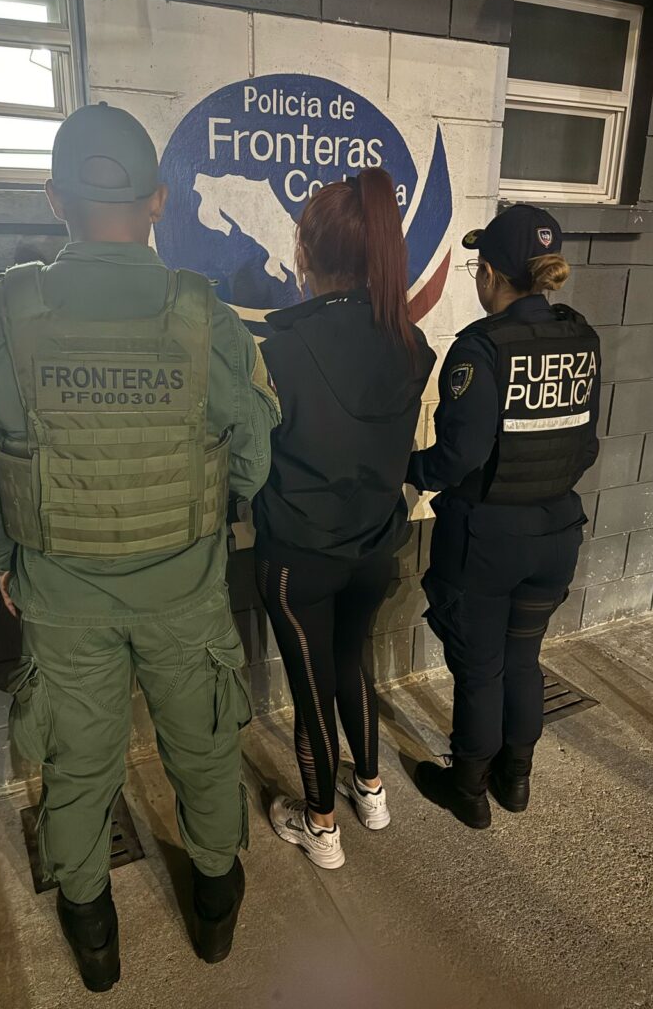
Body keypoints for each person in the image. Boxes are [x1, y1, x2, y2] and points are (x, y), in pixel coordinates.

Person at [0, 103, 280, 992]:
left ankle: (94, 939)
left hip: (60, 599)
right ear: (159, 200)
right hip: (185, 593)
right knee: (203, 752)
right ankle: (215, 913)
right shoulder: (207, 318)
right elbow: (253, 458)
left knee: (78, 768)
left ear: (56, 200)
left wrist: (3, 564)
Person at [253, 169, 436, 868]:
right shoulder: (411, 345)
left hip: (300, 556)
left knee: (312, 690)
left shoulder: (280, 353)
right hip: (375, 547)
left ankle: (321, 826)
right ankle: (371, 791)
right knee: (353, 663)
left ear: (305, 253)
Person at [407, 204, 600, 829]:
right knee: (523, 659)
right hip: (556, 534)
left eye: (477, 269)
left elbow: (459, 456)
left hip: (487, 540)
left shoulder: (480, 348)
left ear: (490, 273)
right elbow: (586, 444)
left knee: (480, 670)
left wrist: (409, 469)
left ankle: (467, 788)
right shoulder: (581, 337)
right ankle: (515, 780)